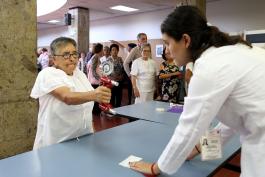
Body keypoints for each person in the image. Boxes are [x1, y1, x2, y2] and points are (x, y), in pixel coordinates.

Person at [129, 6, 265, 177]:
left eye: (167, 43)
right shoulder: (231, 51)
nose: (167, 50)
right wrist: (195, 150)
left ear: (185, 40)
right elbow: (232, 120)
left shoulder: (209, 66)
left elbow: (189, 127)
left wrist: (155, 168)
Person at [30, 37, 111, 149]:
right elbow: (67, 97)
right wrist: (94, 95)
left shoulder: (79, 74)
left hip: (82, 140)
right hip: (56, 144)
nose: (72, 58)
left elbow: (85, 108)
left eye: (74, 54)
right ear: (54, 59)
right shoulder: (47, 74)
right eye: (66, 55)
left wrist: (92, 132)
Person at [87, 43, 104, 115]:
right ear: (100, 50)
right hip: (95, 82)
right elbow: (94, 71)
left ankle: (96, 112)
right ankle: (96, 113)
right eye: (102, 49)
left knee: (96, 98)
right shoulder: (95, 57)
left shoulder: (95, 57)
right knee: (96, 98)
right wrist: (100, 80)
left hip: (94, 81)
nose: (103, 51)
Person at [107, 43, 125, 108]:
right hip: (111, 82)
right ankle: (111, 111)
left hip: (119, 81)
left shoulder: (120, 59)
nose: (114, 51)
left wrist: (121, 76)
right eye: (113, 50)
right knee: (111, 97)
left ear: (118, 51)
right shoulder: (108, 59)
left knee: (119, 97)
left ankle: (118, 111)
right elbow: (105, 71)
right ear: (110, 51)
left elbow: (123, 69)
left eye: (116, 50)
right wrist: (111, 77)